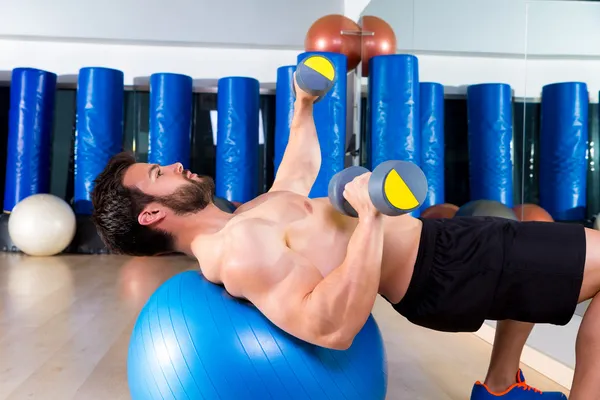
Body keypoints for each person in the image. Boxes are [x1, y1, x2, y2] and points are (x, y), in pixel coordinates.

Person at [90, 76, 600, 400]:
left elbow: (295, 173)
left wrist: (303, 105)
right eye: (159, 173)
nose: (176, 165)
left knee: (535, 262)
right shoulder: (235, 251)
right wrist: (370, 216)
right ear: (153, 214)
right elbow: (330, 326)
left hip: (443, 243)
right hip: (441, 272)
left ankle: (499, 387)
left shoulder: (242, 219)